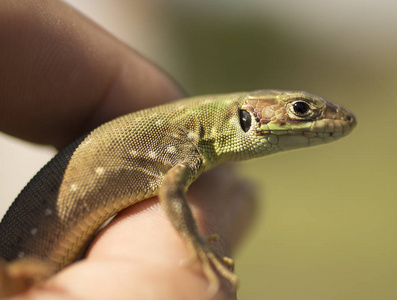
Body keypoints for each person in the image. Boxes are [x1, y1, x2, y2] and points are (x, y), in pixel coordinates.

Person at [0, 1, 255, 299]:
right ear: (246, 117)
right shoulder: (190, 152)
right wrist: (197, 246)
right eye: (300, 110)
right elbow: (170, 191)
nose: (322, 120)